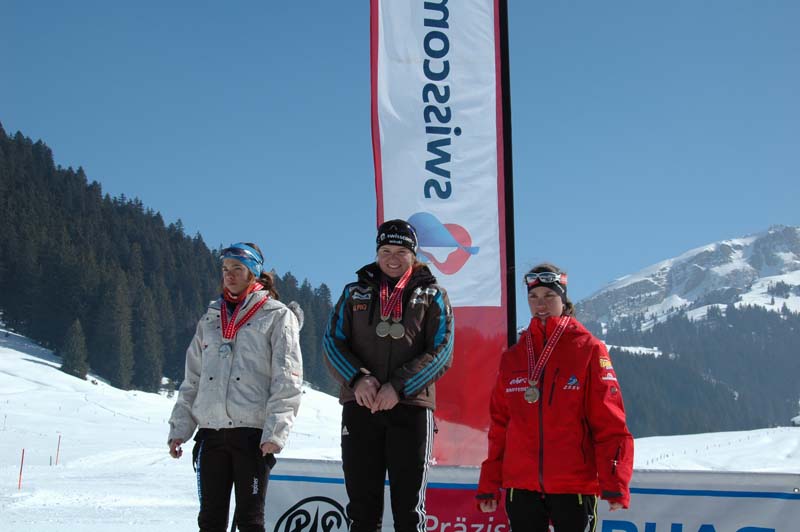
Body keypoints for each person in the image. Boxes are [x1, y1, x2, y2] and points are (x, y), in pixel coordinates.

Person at [476, 263, 633, 532]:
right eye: (533, 297)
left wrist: (615, 482)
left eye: (549, 295)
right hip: (520, 487)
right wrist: (489, 482)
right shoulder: (513, 357)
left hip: (573, 486)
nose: (541, 304)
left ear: (563, 298)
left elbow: (609, 423)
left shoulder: (588, 349)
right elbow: (500, 426)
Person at [323, 219, 454, 532]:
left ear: (414, 255)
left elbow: (442, 350)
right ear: (376, 253)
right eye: (385, 251)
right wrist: (358, 379)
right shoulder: (354, 292)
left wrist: (398, 387)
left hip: (411, 408)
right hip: (361, 405)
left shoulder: (433, 294)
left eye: (400, 252)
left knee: (409, 511)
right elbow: (332, 342)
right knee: (362, 511)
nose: (392, 258)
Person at [167, 242, 303, 532]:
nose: (229, 275)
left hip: (252, 437)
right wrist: (180, 429)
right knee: (210, 521)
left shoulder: (277, 315)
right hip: (211, 434)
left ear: (254, 272)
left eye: (238, 269)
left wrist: (275, 432)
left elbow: (287, 379)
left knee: (250, 522)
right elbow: (193, 379)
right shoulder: (210, 318)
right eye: (225, 269)